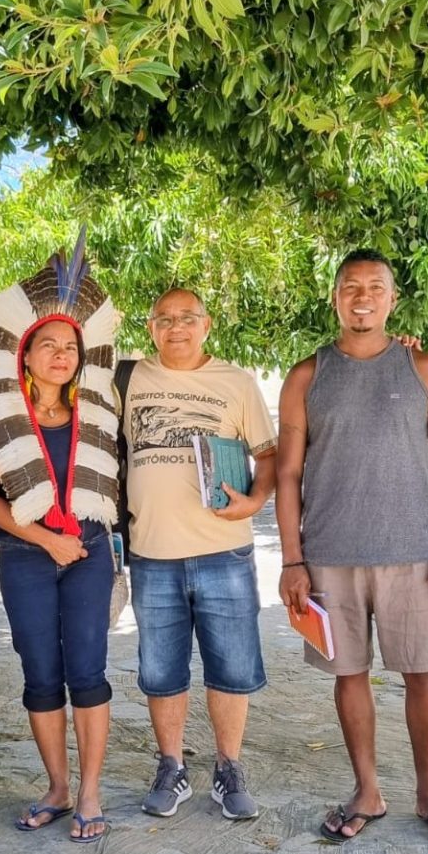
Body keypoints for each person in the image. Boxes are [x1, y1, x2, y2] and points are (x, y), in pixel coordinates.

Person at [277, 249, 428, 847]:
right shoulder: (307, 375)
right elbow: (287, 475)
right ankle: (367, 790)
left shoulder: (425, 369)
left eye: (375, 286)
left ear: (392, 298)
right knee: (350, 674)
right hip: (329, 557)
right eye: (350, 286)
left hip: (412, 551)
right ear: (334, 297)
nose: (363, 296)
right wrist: (292, 559)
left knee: (422, 675)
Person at [0, 236, 119, 842]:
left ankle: (89, 792)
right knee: (40, 672)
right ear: (24, 354)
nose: (60, 356)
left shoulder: (102, 407)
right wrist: (44, 540)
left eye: (70, 347)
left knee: (87, 670)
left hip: (89, 554)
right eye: (48, 346)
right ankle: (57, 787)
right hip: (26, 556)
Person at [121, 287, 276, 820]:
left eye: (187, 318)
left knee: (231, 669)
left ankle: (228, 768)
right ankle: (171, 767)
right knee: (161, 672)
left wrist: (256, 499)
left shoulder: (236, 382)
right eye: (164, 319)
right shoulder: (129, 378)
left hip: (223, 552)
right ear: (150, 327)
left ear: (206, 325)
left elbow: (267, 454)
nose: (176, 328)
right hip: (151, 553)